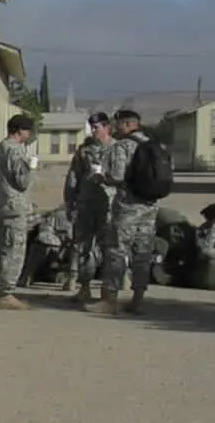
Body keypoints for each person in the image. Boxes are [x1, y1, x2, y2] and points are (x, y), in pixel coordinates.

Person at [85, 109, 166, 314]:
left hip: (128, 207)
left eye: (119, 124)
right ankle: (138, 299)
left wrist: (103, 178)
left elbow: (118, 176)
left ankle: (110, 299)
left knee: (117, 250)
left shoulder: (123, 146)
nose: (116, 127)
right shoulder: (155, 144)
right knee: (143, 253)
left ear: (128, 124)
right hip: (150, 206)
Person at [0, 113, 38, 309]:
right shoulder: (16, 151)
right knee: (13, 250)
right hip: (14, 208)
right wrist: (31, 167)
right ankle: (7, 293)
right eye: (28, 130)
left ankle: (1, 289)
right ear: (20, 131)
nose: (29, 135)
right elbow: (22, 181)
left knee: (0, 249)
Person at [64, 112, 114, 301]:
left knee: (109, 248)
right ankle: (84, 286)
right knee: (83, 246)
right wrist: (70, 201)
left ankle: (108, 290)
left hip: (108, 203)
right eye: (91, 127)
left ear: (107, 127)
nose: (93, 131)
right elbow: (73, 176)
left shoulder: (117, 149)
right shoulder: (84, 151)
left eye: (97, 127)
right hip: (86, 203)